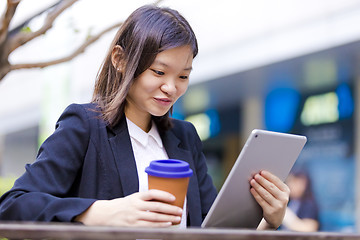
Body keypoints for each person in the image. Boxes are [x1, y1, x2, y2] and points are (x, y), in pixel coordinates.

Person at [0, 5, 290, 229]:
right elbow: (12, 207)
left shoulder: (185, 137)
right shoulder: (85, 125)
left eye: (183, 76)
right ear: (120, 59)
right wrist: (99, 212)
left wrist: (269, 220)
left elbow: (211, 230)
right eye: (159, 72)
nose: (171, 87)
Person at [281, 167, 319, 231]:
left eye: (295, 182)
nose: (291, 185)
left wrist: (284, 214)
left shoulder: (309, 204)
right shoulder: (288, 201)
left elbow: (309, 229)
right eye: (289, 182)